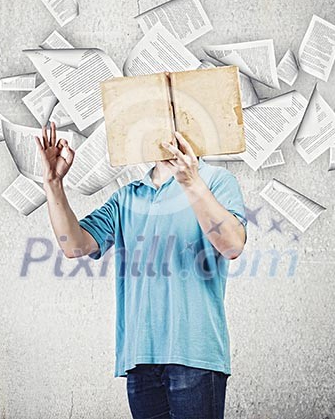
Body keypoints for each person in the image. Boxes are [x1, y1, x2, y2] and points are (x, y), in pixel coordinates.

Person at [36, 122, 248, 419]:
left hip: (196, 356)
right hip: (140, 359)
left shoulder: (215, 180)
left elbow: (233, 245)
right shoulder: (126, 197)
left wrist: (191, 182)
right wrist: (53, 184)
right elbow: (73, 246)